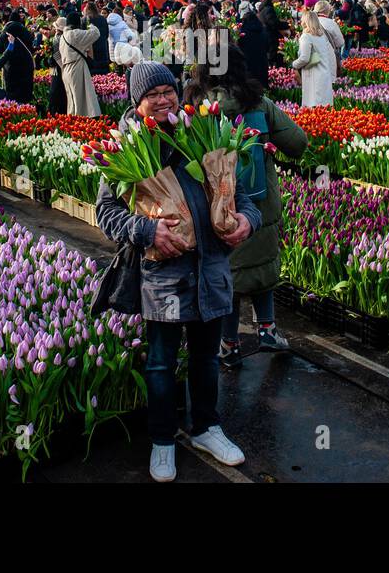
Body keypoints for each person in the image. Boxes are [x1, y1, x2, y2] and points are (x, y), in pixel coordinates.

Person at [94, 62, 261, 483]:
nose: (164, 99)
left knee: (207, 357)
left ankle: (207, 428)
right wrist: (147, 229)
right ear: (138, 101)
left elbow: (242, 195)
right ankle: (163, 440)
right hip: (164, 275)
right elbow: (106, 212)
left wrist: (247, 220)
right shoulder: (126, 148)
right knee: (161, 362)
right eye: (154, 94)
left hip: (212, 268)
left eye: (169, 90)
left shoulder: (199, 130)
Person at [185, 46, 309, 368]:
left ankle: (229, 343)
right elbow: (298, 143)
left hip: (217, 208)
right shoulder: (261, 104)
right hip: (261, 203)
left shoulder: (197, 108)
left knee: (229, 273)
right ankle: (267, 329)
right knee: (262, 264)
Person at [60, 13, 101, 117]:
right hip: (76, 67)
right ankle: (80, 126)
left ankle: (72, 123)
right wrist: (89, 24)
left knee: (72, 101)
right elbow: (96, 33)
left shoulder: (63, 36)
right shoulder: (75, 34)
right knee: (80, 101)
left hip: (65, 70)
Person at [291, 10, 335, 107]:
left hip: (313, 75)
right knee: (324, 107)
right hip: (324, 73)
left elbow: (304, 58)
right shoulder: (321, 36)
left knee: (313, 107)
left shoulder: (306, 36)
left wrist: (293, 64)